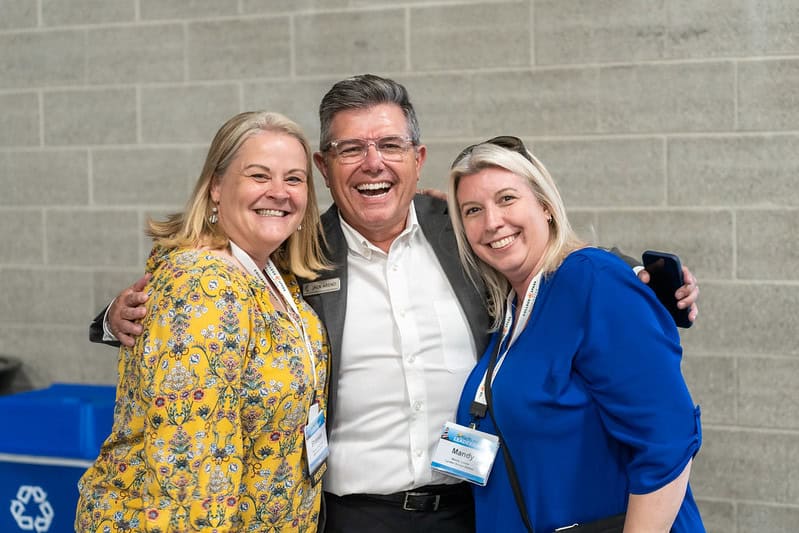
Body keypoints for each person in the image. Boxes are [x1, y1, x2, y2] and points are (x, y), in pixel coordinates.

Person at [92, 75, 700, 533]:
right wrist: (113, 318)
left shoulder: (462, 232)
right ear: (326, 169)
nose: (373, 162)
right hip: (351, 516)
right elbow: (202, 297)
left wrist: (649, 278)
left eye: (389, 143)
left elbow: (550, 265)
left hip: (474, 508)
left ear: (418, 158)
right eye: (350, 149)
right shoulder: (294, 251)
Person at [76, 111, 330, 532]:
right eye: (259, 175)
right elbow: (190, 462)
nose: (279, 192)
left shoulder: (270, 272)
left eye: (294, 179)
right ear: (216, 186)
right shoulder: (205, 284)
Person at [445, 137, 704, 532]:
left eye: (507, 199)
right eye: (473, 210)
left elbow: (668, 437)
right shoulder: (512, 308)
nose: (492, 221)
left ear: (545, 206)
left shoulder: (592, 280)